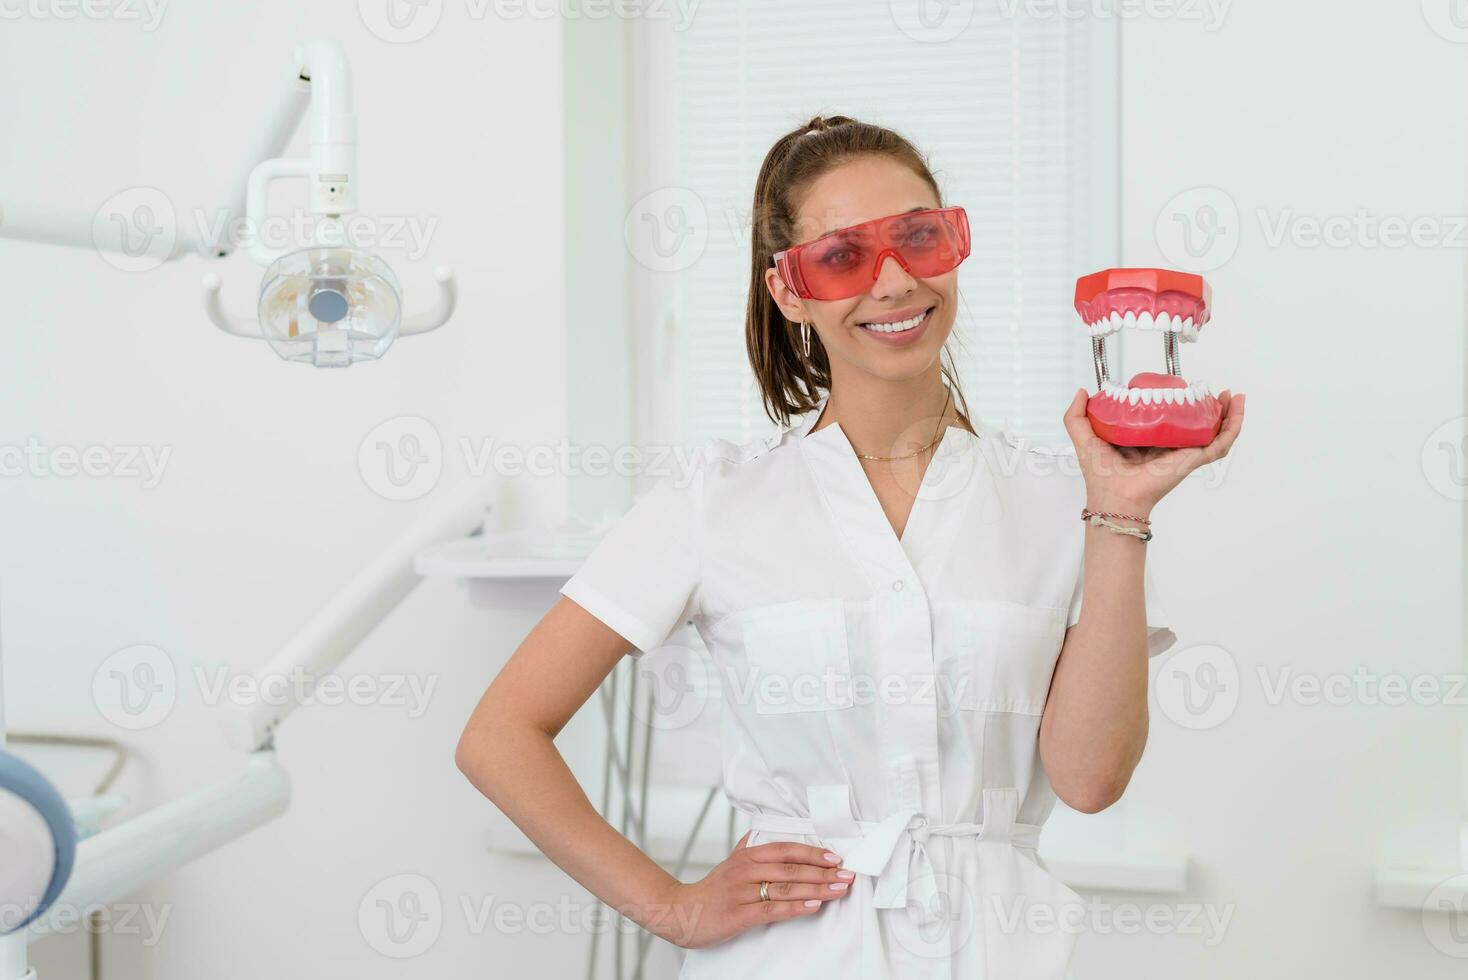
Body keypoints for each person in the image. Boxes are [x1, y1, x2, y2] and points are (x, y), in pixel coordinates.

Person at [455, 114, 1245, 978]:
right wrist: (671, 909)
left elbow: (1089, 782)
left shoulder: (1064, 494)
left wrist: (1121, 513)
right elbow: (500, 735)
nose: (897, 279)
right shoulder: (717, 500)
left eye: (919, 236)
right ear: (790, 291)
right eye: (843, 256)